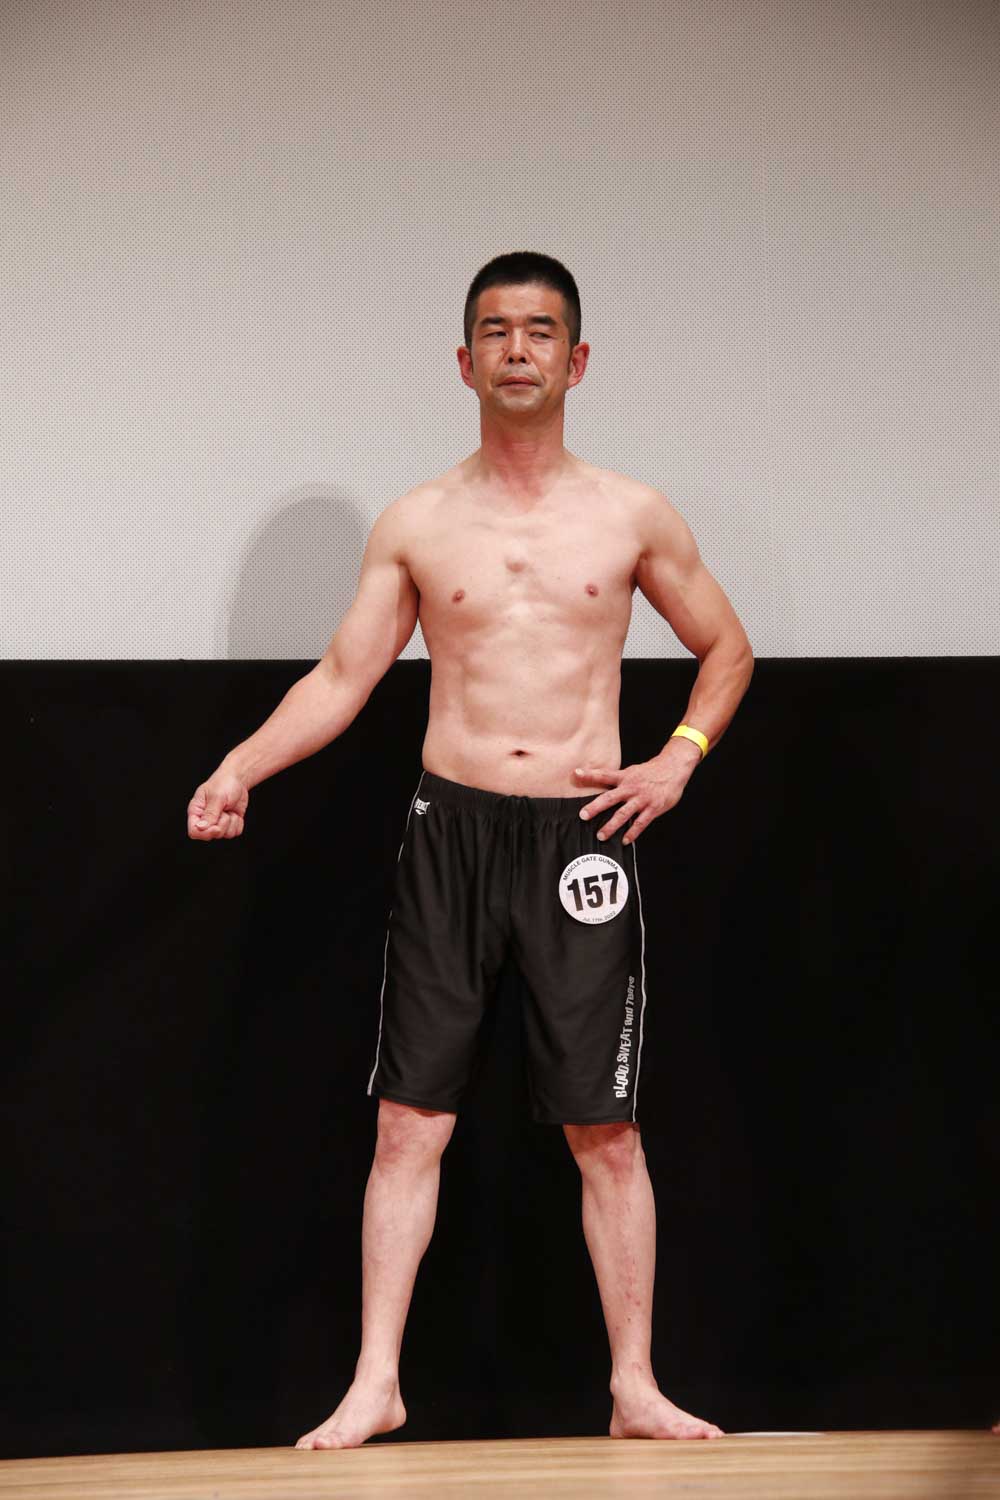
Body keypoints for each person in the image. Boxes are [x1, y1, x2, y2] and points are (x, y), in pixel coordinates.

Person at [187, 252, 754, 1448]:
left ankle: (633, 1385)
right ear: (463, 361)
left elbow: (727, 649)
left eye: (539, 331)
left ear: (576, 360)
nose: (516, 350)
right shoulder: (418, 522)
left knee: (606, 1130)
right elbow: (342, 676)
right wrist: (239, 765)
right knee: (409, 1121)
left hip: (580, 838)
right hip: (450, 832)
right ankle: (375, 1383)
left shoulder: (631, 514)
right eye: (495, 331)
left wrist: (678, 758)